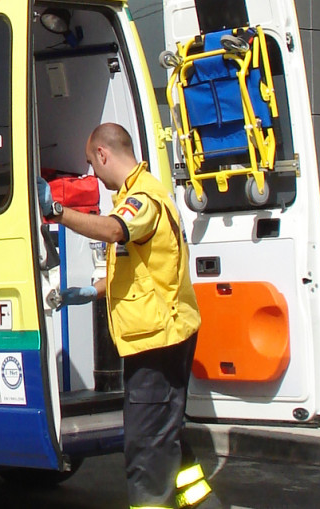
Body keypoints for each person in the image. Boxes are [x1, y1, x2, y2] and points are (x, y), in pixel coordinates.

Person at [41, 123, 220, 509]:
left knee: (145, 447)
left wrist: (57, 211)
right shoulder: (138, 193)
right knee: (162, 432)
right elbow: (141, 268)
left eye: (91, 163)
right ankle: (202, 503)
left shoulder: (142, 198)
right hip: (158, 333)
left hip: (159, 338)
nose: (92, 172)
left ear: (104, 154)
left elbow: (113, 230)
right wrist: (91, 292)